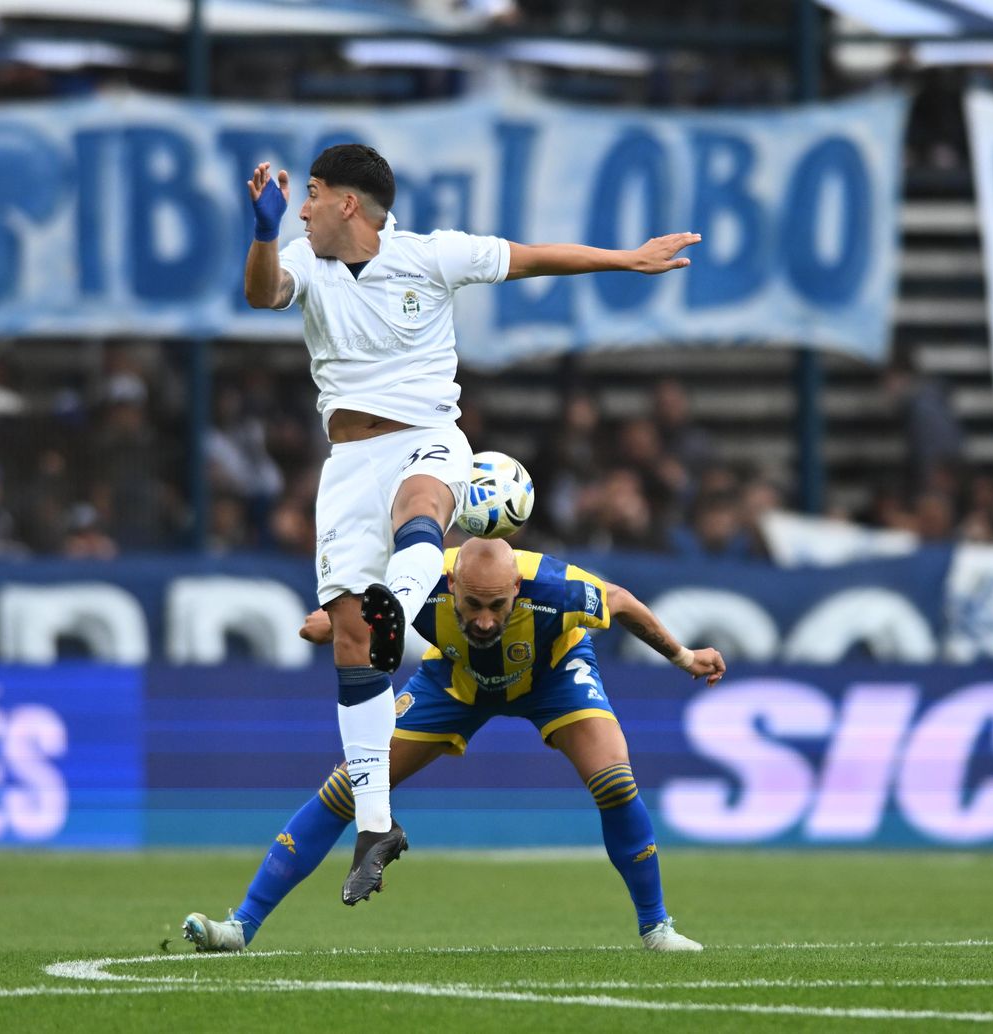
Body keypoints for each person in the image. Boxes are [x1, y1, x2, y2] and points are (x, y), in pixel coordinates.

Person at [243, 146, 700, 904]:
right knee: (354, 647)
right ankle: (375, 827)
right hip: (348, 463)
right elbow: (263, 294)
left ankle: (397, 601)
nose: (302, 207)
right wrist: (259, 234)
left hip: (428, 438)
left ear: (348, 203)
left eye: (311, 195)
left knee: (419, 508)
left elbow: (532, 259)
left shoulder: (432, 256)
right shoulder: (304, 261)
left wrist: (627, 260)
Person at [181, 538, 725, 953]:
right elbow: (368, 602)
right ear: (452, 589)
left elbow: (622, 603)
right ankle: (240, 927)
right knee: (352, 783)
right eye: (470, 606)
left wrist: (682, 657)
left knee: (615, 780)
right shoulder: (421, 578)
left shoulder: (556, 587)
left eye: (496, 606)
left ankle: (656, 926)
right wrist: (336, 619)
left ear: (517, 590)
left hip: (554, 676)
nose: (484, 619)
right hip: (455, 680)